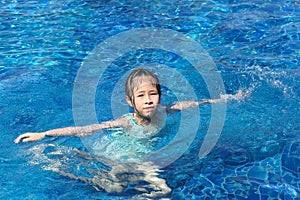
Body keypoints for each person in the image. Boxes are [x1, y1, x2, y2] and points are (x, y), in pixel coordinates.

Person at [13, 68, 232, 197]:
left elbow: (189, 104)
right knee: (153, 189)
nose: (148, 100)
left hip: (139, 160)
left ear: (160, 95)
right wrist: (44, 134)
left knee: (123, 188)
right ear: (130, 101)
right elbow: (85, 129)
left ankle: (68, 161)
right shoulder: (126, 122)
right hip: (121, 156)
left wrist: (217, 100)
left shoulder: (164, 110)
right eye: (141, 96)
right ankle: (59, 163)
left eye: (152, 94)